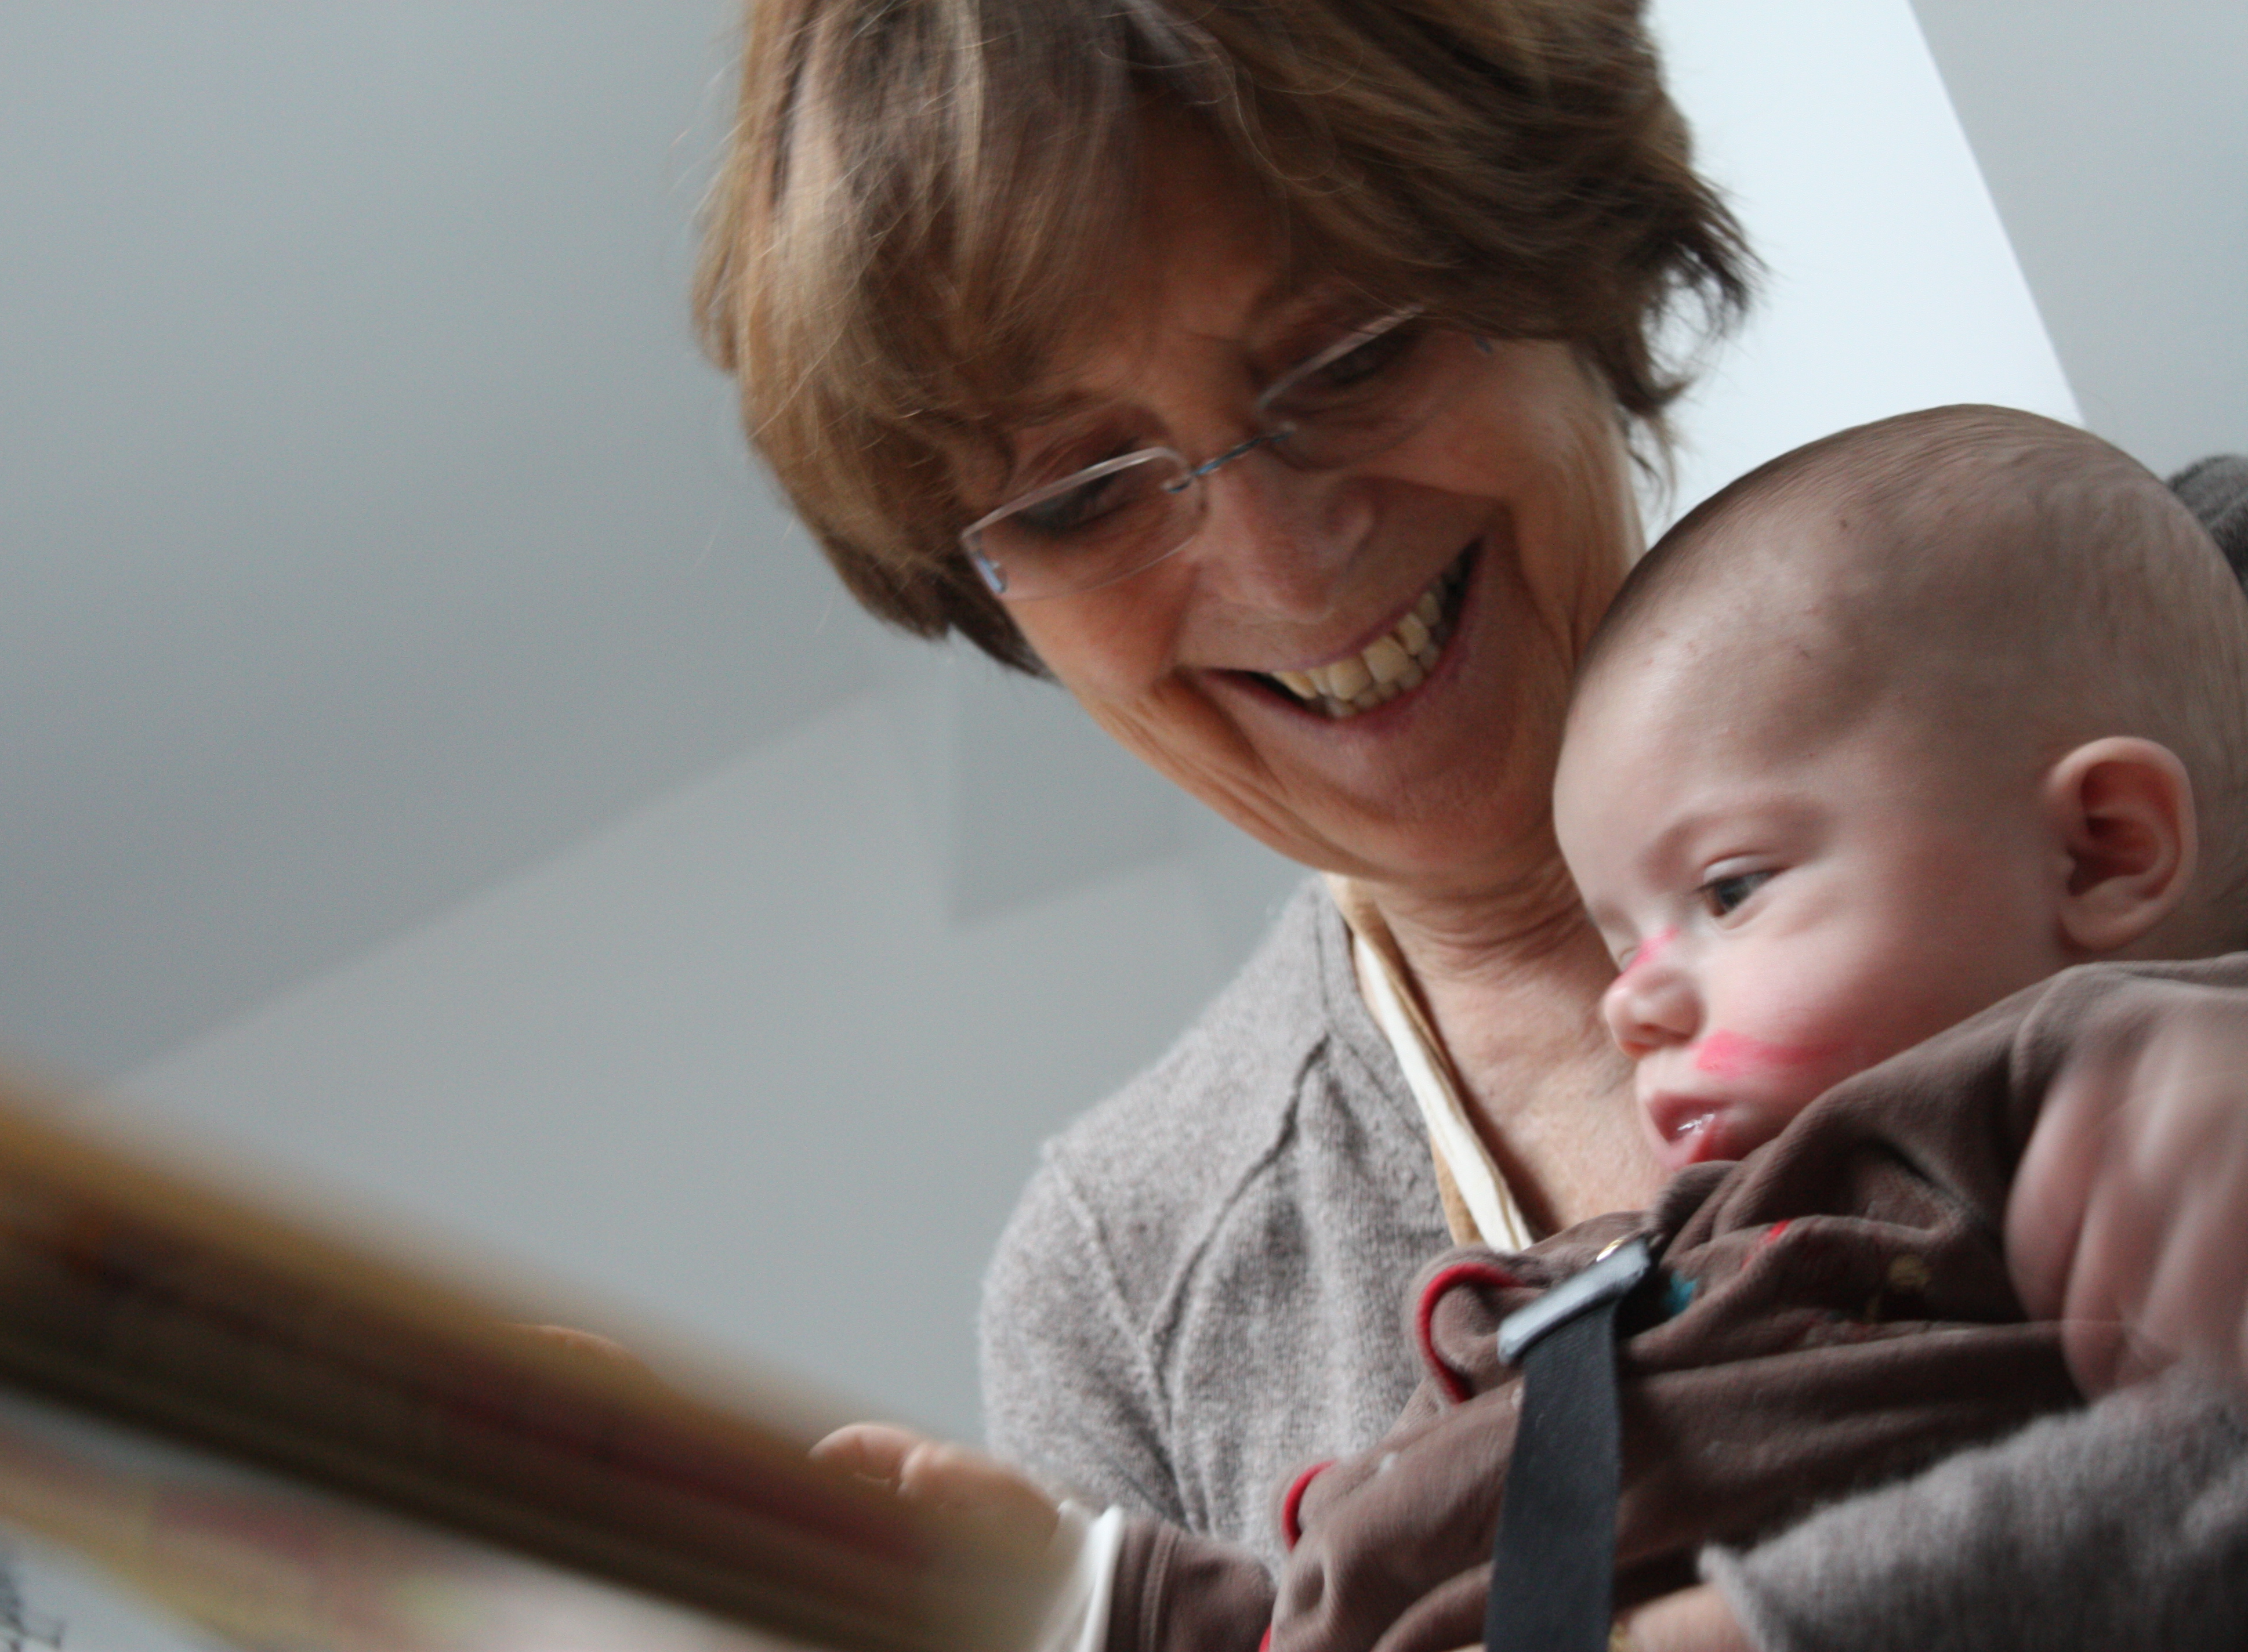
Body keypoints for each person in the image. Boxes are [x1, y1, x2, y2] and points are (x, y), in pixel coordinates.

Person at [694, 2, 2248, 1645]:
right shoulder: (1119, 1287)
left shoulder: (2186, 650)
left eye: (1356, 353)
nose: (1286, 566)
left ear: (1576, 261)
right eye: (1079, 491)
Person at [832, 407, 2248, 1651]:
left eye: (1730, 890)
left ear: (2102, 848)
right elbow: (1422, 1543)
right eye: (1081, 493)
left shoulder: (2085, 1068)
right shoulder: (1706, 1224)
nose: (1631, 997)